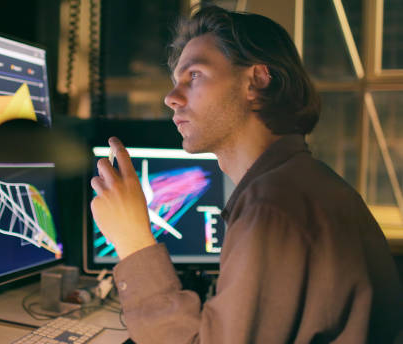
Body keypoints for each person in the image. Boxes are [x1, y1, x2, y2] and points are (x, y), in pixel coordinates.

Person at [90, 5, 403, 344]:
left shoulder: (272, 207)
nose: (171, 98)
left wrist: (133, 241)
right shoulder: (305, 184)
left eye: (193, 75)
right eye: (174, 82)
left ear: (256, 81)